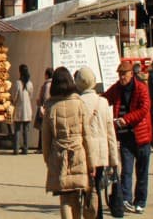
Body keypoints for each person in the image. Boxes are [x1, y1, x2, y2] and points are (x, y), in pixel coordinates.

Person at [41, 67, 94, 219]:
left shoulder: (50, 106)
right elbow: (87, 135)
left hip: (58, 154)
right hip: (78, 153)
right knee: (76, 194)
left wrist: (47, 159)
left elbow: (46, 138)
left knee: (64, 197)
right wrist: (91, 162)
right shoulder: (79, 103)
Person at [105, 60, 151, 214]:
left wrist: (127, 119)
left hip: (142, 136)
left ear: (131, 73)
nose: (121, 77)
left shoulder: (142, 88)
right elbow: (105, 99)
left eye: (124, 74)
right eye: (119, 74)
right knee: (126, 170)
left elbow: (144, 108)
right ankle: (125, 199)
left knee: (142, 171)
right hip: (125, 137)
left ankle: (140, 201)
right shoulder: (116, 89)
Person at [75, 66, 120, 219]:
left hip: (83, 152)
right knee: (97, 188)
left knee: (85, 190)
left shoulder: (77, 103)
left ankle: (89, 214)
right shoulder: (103, 102)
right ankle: (97, 214)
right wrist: (114, 160)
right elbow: (110, 133)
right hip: (101, 154)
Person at [10, 64, 34, 155]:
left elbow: (14, 96)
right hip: (27, 109)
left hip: (19, 109)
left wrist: (13, 101)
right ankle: (25, 148)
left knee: (17, 130)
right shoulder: (29, 84)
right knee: (26, 130)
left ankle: (16, 148)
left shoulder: (17, 83)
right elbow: (31, 96)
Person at [35, 66, 53, 149]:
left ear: (47, 75)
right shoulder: (53, 84)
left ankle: (41, 147)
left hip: (45, 109)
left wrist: (42, 105)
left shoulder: (47, 85)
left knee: (42, 128)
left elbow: (46, 97)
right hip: (51, 108)